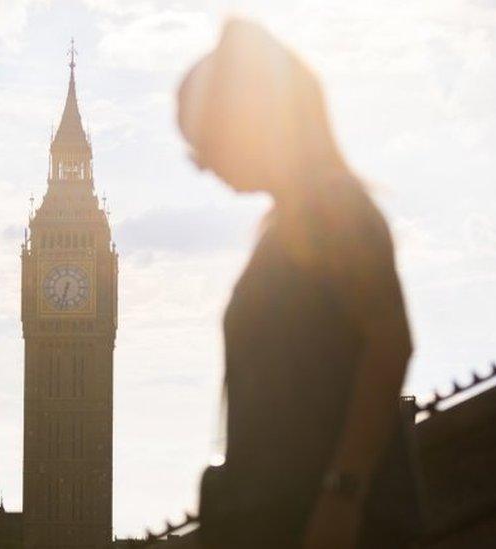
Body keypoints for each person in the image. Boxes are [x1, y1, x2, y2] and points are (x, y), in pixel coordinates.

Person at [169, 19, 418, 549]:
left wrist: (340, 497)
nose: (207, 168)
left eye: (205, 146)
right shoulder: (286, 225)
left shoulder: (334, 208)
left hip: (322, 522)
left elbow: (389, 343)